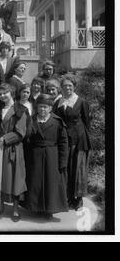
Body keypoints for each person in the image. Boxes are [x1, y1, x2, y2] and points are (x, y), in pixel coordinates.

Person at [0, 83, 30, 222]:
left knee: (14, 179)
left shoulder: (20, 110)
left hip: (13, 149)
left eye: (5, 93)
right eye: (0, 94)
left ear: (11, 92)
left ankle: (16, 209)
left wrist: (5, 139)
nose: (2, 96)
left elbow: (20, 133)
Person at [25, 94, 69, 219]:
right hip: (35, 155)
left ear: (50, 108)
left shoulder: (57, 122)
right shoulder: (31, 120)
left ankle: (49, 210)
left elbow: (63, 143)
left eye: (45, 107)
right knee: (35, 182)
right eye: (40, 107)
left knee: (51, 183)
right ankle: (36, 208)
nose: (42, 110)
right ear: (36, 108)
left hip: (52, 156)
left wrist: (62, 161)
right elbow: (26, 140)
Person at [53, 75, 92, 211]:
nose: (67, 88)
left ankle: (78, 200)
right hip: (64, 140)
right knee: (67, 168)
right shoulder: (59, 101)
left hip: (79, 140)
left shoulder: (81, 102)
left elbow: (87, 122)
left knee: (78, 169)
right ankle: (68, 197)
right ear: (61, 88)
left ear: (74, 86)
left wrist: (84, 138)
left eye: (70, 85)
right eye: (65, 86)